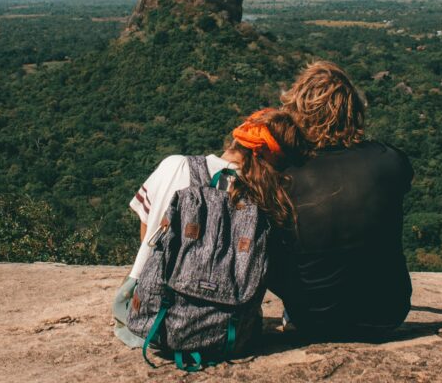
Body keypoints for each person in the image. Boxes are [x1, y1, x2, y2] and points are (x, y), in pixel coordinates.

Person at [113, 108, 305, 348]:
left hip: (151, 320)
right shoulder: (269, 199)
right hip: (228, 329)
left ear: (236, 138)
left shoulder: (175, 166)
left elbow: (147, 237)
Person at [270, 60, 413, 340]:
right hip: (387, 313)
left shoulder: (285, 176)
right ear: (354, 110)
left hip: (313, 319)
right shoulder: (391, 161)